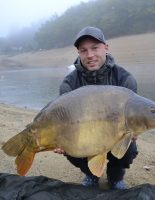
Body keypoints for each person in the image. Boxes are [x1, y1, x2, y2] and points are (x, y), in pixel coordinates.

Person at [55, 26, 138, 190]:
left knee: (129, 146)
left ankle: (115, 177)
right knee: (70, 148)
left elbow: (133, 115)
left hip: (115, 134)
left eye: (95, 48)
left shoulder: (125, 79)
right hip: (83, 135)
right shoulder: (68, 84)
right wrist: (61, 140)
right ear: (79, 53)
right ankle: (91, 174)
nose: (90, 55)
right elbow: (63, 119)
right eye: (83, 50)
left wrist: (133, 130)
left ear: (106, 48)